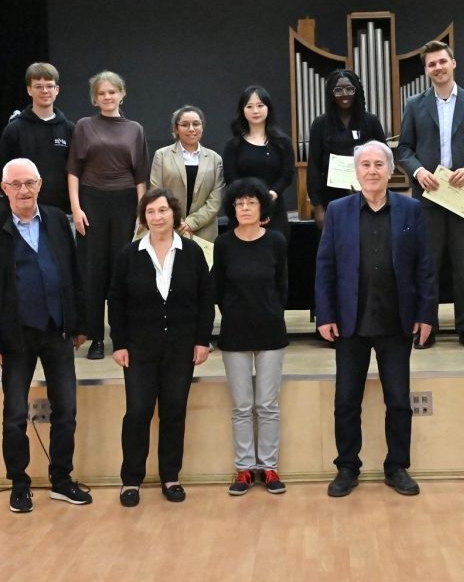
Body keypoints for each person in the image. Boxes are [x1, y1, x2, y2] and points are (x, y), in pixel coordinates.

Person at [315, 141, 437, 498]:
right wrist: (325, 314)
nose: (371, 170)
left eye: (378, 164)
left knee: (398, 401)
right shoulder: (338, 211)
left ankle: (397, 466)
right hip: (350, 322)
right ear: (356, 171)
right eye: (365, 164)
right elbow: (325, 266)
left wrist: (426, 313)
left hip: (396, 320)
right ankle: (347, 467)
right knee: (346, 401)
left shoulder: (411, 209)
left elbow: (425, 266)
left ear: (390, 170)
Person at [107, 188, 213, 507]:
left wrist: (202, 340)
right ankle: (131, 480)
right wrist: (119, 344)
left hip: (181, 347)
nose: (157, 216)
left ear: (174, 214)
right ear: (144, 218)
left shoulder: (192, 252)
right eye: (150, 211)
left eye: (163, 210)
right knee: (138, 412)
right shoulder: (129, 254)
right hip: (139, 349)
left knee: (173, 411)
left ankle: (171, 477)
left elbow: (206, 299)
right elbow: (116, 300)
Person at [0, 158, 92, 513]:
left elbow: (73, 271)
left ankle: (62, 480)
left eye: (30, 183)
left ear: (39, 185)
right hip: (15, 337)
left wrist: (80, 323)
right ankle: (19, 485)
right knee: (14, 415)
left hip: (57, 330)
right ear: (4, 189)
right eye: (16, 184)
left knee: (66, 409)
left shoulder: (55, 219)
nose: (24, 190)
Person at [398, 40, 464, 349]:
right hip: (428, 196)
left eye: (442, 61)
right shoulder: (414, 104)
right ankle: (428, 327)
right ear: (426, 70)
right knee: (428, 264)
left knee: (463, 264)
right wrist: (417, 172)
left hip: (462, 195)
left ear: (453, 63)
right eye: (431, 64)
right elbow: (404, 148)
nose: (437, 67)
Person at [214, 178, 289, 496]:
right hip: (235, 331)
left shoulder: (276, 241)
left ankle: (269, 468)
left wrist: (270, 312)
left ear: (262, 207)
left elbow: (282, 286)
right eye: (239, 203)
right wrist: (233, 312)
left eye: (251, 202)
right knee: (243, 406)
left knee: (267, 405)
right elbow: (218, 288)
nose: (245, 207)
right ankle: (245, 468)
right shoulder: (223, 243)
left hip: (270, 330)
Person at [67, 70, 148, 360]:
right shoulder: (84, 126)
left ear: (122, 94)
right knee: (93, 271)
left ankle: (121, 336)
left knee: (121, 270)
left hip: (125, 201)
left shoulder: (135, 129)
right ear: (94, 98)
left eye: (112, 92)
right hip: (92, 201)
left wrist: (141, 212)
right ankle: (96, 337)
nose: (107, 97)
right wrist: (76, 208)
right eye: (101, 93)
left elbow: (141, 175)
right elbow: (73, 170)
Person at [307, 69, 386, 229]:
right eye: (338, 90)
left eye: (349, 89)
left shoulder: (370, 121)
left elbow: (384, 158)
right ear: (330, 93)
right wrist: (318, 206)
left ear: (357, 90)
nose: (344, 94)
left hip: (367, 195)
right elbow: (314, 165)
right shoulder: (320, 124)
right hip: (330, 198)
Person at [0, 63, 74, 214]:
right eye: (38, 86)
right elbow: (4, 175)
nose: (45, 91)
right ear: (29, 90)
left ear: (57, 90)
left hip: (63, 213)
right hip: (23, 213)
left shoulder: (69, 129)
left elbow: (75, 173)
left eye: (49, 86)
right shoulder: (14, 130)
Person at [223, 86, 294, 240]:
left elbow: (287, 175)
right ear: (242, 110)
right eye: (249, 106)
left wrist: (268, 197)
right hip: (243, 210)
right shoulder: (233, 145)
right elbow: (230, 177)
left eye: (260, 105)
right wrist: (249, 202)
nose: (255, 111)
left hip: (274, 210)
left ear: (268, 108)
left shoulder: (283, 142)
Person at [150, 105, 224, 242]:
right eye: (185, 125)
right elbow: (156, 192)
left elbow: (216, 199)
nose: (191, 129)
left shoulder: (215, 159)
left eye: (196, 124)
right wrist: (177, 221)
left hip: (204, 230)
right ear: (176, 129)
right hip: (170, 227)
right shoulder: (161, 155)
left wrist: (191, 223)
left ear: (202, 127)